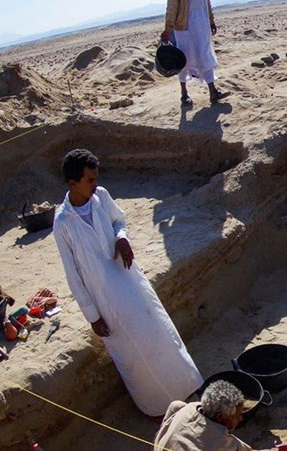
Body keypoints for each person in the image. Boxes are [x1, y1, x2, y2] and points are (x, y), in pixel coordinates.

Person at [53, 149, 203, 416]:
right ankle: (157, 407)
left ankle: (187, 385)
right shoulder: (63, 222)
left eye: (96, 178)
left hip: (130, 281)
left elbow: (118, 220)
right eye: (89, 180)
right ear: (72, 183)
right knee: (134, 354)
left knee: (159, 334)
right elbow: (72, 274)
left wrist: (122, 237)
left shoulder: (101, 196)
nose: (95, 184)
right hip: (106, 300)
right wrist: (92, 315)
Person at [162, 0, 230, 107]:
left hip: (202, 24)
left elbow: (207, 1)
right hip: (183, 26)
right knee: (183, 58)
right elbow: (172, 6)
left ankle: (213, 91)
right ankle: (184, 94)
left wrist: (211, 20)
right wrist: (168, 28)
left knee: (204, 54)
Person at [154, 380, 287, 451]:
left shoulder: (190, 407)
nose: (241, 418)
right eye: (237, 415)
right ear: (221, 417)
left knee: (177, 405)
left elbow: (173, 406)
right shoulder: (222, 441)